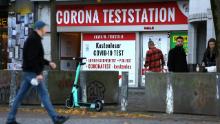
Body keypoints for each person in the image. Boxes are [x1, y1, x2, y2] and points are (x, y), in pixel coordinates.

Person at [6, 21, 69, 124]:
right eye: (44, 27)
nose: (46, 29)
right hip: (32, 73)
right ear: (39, 28)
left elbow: (38, 58)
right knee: (44, 95)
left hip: (29, 72)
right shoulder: (33, 40)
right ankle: (55, 118)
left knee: (20, 96)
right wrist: (38, 73)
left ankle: (10, 119)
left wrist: (49, 63)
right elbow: (32, 59)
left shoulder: (35, 39)